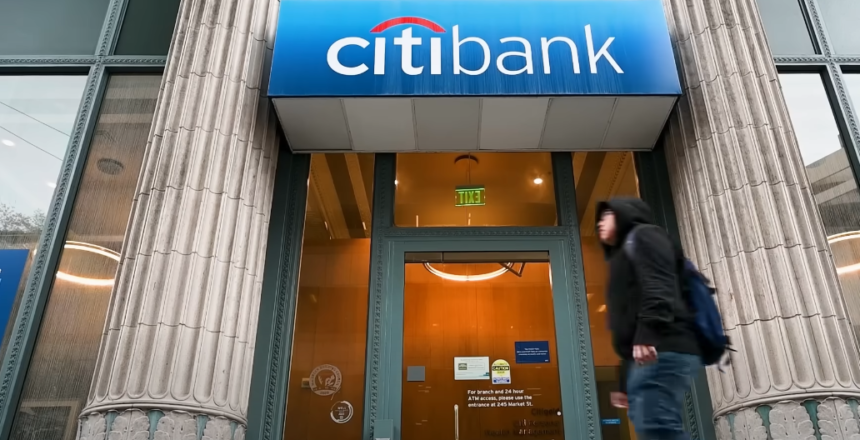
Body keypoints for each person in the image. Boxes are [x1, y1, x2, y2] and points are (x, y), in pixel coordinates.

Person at [596, 197, 701, 440]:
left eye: (606, 216)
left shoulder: (644, 236)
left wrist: (647, 334)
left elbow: (658, 285)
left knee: (657, 426)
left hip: (663, 347)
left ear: (623, 214)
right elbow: (626, 323)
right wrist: (625, 382)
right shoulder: (622, 255)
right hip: (647, 355)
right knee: (652, 425)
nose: (599, 223)